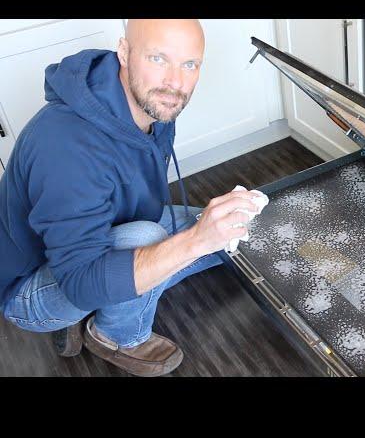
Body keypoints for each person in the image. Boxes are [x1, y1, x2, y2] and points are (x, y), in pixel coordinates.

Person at [0, 19, 261, 377]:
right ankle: (114, 335)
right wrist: (192, 242)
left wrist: (203, 236)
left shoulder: (155, 105)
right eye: (158, 58)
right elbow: (78, 282)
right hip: (31, 289)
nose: (175, 82)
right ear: (124, 52)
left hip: (102, 233)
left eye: (190, 64)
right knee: (152, 238)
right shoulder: (63, 145)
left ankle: (113, 296)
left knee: (237, 227)